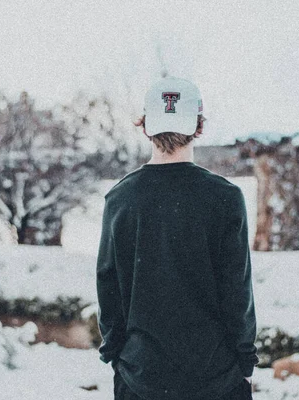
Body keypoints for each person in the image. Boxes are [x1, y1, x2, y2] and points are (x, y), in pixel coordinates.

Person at [96, 75, 258, 400]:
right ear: (198, 125)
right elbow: (236, 292)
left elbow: (109, 289)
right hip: (215, 378)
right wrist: (244, 358)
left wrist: (115, 354)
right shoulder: (225, 198)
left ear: (145, 126)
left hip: (140, 378)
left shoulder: (120, 200)